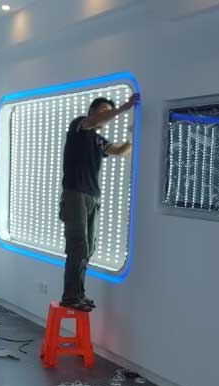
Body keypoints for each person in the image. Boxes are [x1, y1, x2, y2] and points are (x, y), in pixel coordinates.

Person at [59, 93, 139, 311]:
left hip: (92, 196)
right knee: (78, 245)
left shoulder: (97, 139)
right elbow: (96, 121)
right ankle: (70, 296)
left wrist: (135, 136)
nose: (107, 115)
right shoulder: (78, 126)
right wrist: (124, 107)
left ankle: (79, 293)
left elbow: (120, 151)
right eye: (104, 111)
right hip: (75, 194)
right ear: (92, 112)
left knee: (88, 248)